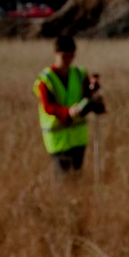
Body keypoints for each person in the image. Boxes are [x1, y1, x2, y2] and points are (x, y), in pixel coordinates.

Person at [34, 33, 104, 177]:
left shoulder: (79, 74)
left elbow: (87, 95)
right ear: (56, 54)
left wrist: (94, 95)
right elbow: (48, 106)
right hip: (58, 140)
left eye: (71, 56)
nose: (67, 60)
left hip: (78, 137)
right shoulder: (46, 79)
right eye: (64, 56)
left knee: (77, 178)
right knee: (63, 181)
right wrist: (68, 113)